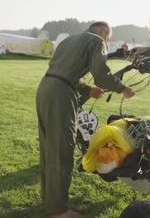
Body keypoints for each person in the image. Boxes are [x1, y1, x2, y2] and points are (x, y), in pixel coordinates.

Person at [36, 21, 135, 218]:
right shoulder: (97, 41)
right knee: (62, 148)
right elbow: (101, 74)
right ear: (103, 31)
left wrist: (88, 90)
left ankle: (51, 198)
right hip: (61, 95)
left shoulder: (69, 41)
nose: (107, 41)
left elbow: (63, 71)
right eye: (108, 37)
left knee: (49, 147)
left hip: (45, 88)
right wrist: (123, 89)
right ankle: (58, 211)